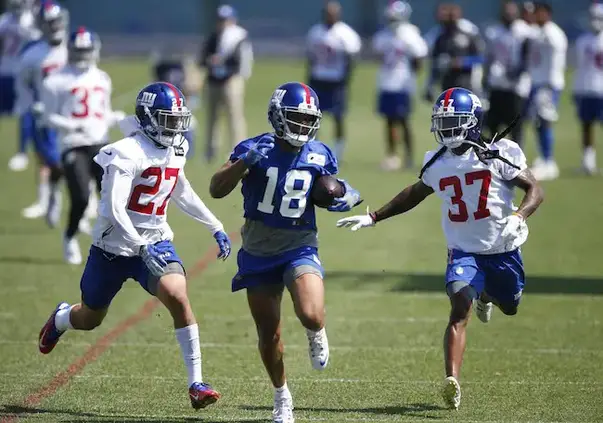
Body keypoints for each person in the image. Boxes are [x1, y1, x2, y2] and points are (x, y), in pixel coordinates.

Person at [336, 87, 544, 410]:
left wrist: (520, 214)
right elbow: (414, 193)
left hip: (502, 249)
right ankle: (452, 381)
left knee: (510, 304)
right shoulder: (437, 162)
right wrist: (374, 217)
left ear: (473, 122)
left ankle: (487, 296)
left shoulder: (501, 152)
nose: (446, 130)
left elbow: (535, 190)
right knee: (459, 306)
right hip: (463, 250)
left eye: (454, 122)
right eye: (442, 123)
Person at [38, 81, 232, 410]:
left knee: (177, 294)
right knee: (90, 318)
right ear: (147, 118)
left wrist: (215, 225)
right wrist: (140, 246)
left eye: (176, 119)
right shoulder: (126, 152)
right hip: (112, 248)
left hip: (155, 241)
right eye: (166, 119)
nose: (174, 127)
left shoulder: (176, 148)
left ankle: (196, 383)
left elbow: (180, 190)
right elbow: (115, 208)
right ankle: (60, 319)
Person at [209, 82, 362, 423]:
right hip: (258, 248)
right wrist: (243, 163)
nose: (302, 126)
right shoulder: (253, 147)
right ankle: (282, 397)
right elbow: (216, 189)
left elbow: (336, 186)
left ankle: (315, 332)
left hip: (299, 244)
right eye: (295, 117)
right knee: (269, 333)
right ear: (277, 116)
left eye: (308, 120)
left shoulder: (319, 153)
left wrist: (346, 194)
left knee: (311, 313)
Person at [39, 27, 125, 264]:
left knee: (110, 196)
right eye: (79, 51)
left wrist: (113, 117)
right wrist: (72, 126)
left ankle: (111, 244)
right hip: (73, 144)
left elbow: (102, 112)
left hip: (100, 143)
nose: (83, 56)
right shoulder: (55, 81)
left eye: (86, 51)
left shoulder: (102, 77)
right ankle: (69, 237)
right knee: (81, 198)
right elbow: (47, 117)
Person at [15, 0, 67, 224]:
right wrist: (32, 104)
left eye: (56, 22)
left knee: (77, 159)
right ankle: (48, 199)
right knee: (49, 160)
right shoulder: (33, 54)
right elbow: (24, 85)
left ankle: (83, 207)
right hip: (45, 114)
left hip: (70, 113)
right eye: (49, 22)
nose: (54, 27)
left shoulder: (71, 48)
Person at [372, 1, 427, 171]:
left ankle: (409, 157)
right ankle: (392, 155)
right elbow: (378, 55)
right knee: (389, 121)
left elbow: (419, 58)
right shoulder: (384, 35)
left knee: (403, 121)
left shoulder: (410, 34)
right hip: (387, 82)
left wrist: (409, 75)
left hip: (402, 83)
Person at [306, 0, 361, 161]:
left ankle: (338, 150)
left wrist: (346, 78)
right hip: (318, 78)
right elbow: (311, 57)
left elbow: (351, 58)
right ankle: (311, 146)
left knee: (338, 116)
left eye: (333, 13)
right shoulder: (315, 32)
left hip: (336, 80)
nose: (330, 16)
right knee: (313, 116)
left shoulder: (345, 33)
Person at [200, 4, 253, 163]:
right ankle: (210, 151)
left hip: (231, 80)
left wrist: (223, 64)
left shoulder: (239, 37)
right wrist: (211, 61)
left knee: (234, 116)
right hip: (214, 81)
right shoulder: (213, 36)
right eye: (220, 19)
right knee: (212, 118)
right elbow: (202, 58)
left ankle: (239, 150)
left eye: (225, 19)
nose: (222, 23)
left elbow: (241, 62)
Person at [525, 1, 567, 180]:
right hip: (537, 83)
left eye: (540, 13)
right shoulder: (537, 32)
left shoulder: (553, 34)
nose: (536, 16)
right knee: (538, 123)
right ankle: (543, 157)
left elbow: (555, 64)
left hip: (547, 85)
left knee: (545, 120)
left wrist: (547, 86)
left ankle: (549, 161)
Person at [483, 1, 533, 146]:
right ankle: (493, 156)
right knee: (493, 125)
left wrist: (519, 70)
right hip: (497, 83)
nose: (508, 14)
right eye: (506, 11)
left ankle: (517, 158)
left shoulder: (524, 31)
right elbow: (489, 57)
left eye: (511, 11)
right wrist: (486, 79)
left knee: (515, 125)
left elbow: (528, 56)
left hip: (516, 86)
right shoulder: (494, 32)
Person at [0, 0, 40, 172]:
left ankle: (22, 152)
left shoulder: (30, 21)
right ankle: (21, 153)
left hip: (22, 72)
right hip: (6, 69)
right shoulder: (13, 21)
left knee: (26, 110)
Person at [425, 4, 484, 102]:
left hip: (467, 83)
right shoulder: (441, 37)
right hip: (447, 84)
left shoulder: (468, 34)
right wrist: (431, 85)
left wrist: (462, 62)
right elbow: (434, 63)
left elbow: (480, 58)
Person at [572, 2, 603, 175]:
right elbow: (580, 67)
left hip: (601, 89)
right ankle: (588, 160)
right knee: (586, 125)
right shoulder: (583, 40)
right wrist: (577, 89)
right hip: (586, 87)